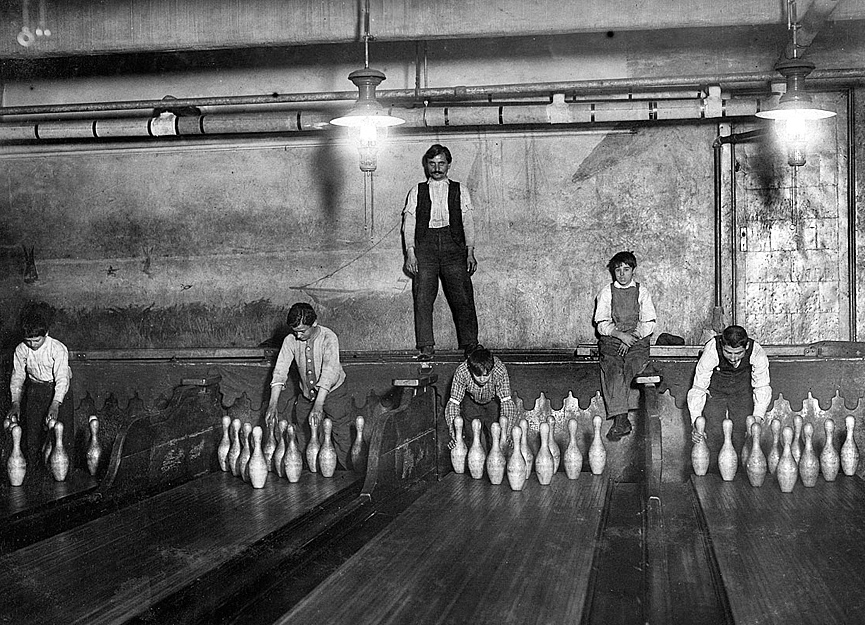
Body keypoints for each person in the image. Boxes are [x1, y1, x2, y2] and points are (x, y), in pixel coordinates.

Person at [402, 143, 479, 361]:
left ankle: (471, 344)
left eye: (441, 163)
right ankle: (426, 346)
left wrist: (470, 251)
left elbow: (468, 222)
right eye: (432, 163)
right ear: (426, 165)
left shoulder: (460, 190)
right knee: (423, 297)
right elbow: (409, 224)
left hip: (453, 246)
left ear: (448, 165)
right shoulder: (416, 191)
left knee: (463, 297)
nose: (437, 168)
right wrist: (410, 253)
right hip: (425, 248)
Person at [264, 303, 352, 470]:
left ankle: (347, 471)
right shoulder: (290, 340)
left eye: (302, 331)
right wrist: (272, 404)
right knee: (304, 427)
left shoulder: (329, 337)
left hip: (334, 391)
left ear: (314, 323)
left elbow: (329, 372)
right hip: (307, 393)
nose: (298, 335)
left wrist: (318, 405)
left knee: (340, 430)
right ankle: (308, 469)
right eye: (294, 331)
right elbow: (280, 370)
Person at [594, 251, 656, 441]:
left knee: (629, 367)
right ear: (613, 272)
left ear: (633, 270)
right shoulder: (606, 292)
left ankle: (620, 421)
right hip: (613, 340)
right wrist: (621, 336)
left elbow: (649, 322)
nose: (622, 274)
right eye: (617, 270)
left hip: (637, 342)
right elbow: (601, 322)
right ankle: (622, 420)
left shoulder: (642, 292)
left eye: (626, 269)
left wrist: (632, 337)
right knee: (614, 369)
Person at [687, 325, 772, 458]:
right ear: (722, 345)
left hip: (742, 393)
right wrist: (695, 422)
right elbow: (698, 388)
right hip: (716, 393)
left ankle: (741, 468)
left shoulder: (756, 352)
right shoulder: (711, 349)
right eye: (728, 352)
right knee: (712, 431)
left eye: (738, 353)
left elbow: (762, 386)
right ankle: (713, 468)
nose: (733, 358)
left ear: (746, 346)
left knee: (743, 433)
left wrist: (757, 417)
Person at [6, 309, 74, 469]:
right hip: (35, 390)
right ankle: (34, 472)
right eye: (28, 341)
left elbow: (62, 378)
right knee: (33, 434)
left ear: (46, 333)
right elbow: (17, 377)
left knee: (62, 434)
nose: (32, 345)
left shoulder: (57, 348)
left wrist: (56, 404)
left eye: (37, 341)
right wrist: (15, 403)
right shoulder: (21, 349)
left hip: (59, 390)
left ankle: (67, 474)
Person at [445, 345, 518, 452]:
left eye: (486, 375)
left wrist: (506, 434)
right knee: (471, 439)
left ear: (492, 369)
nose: (482, 379)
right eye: (478, 375)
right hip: (471, 402)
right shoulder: (462, 371)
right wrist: (454, 434)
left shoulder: (499, 370)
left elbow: (507, 402)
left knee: (496, 439)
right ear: (470, 368)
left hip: (493, 402)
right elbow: (453, 403)